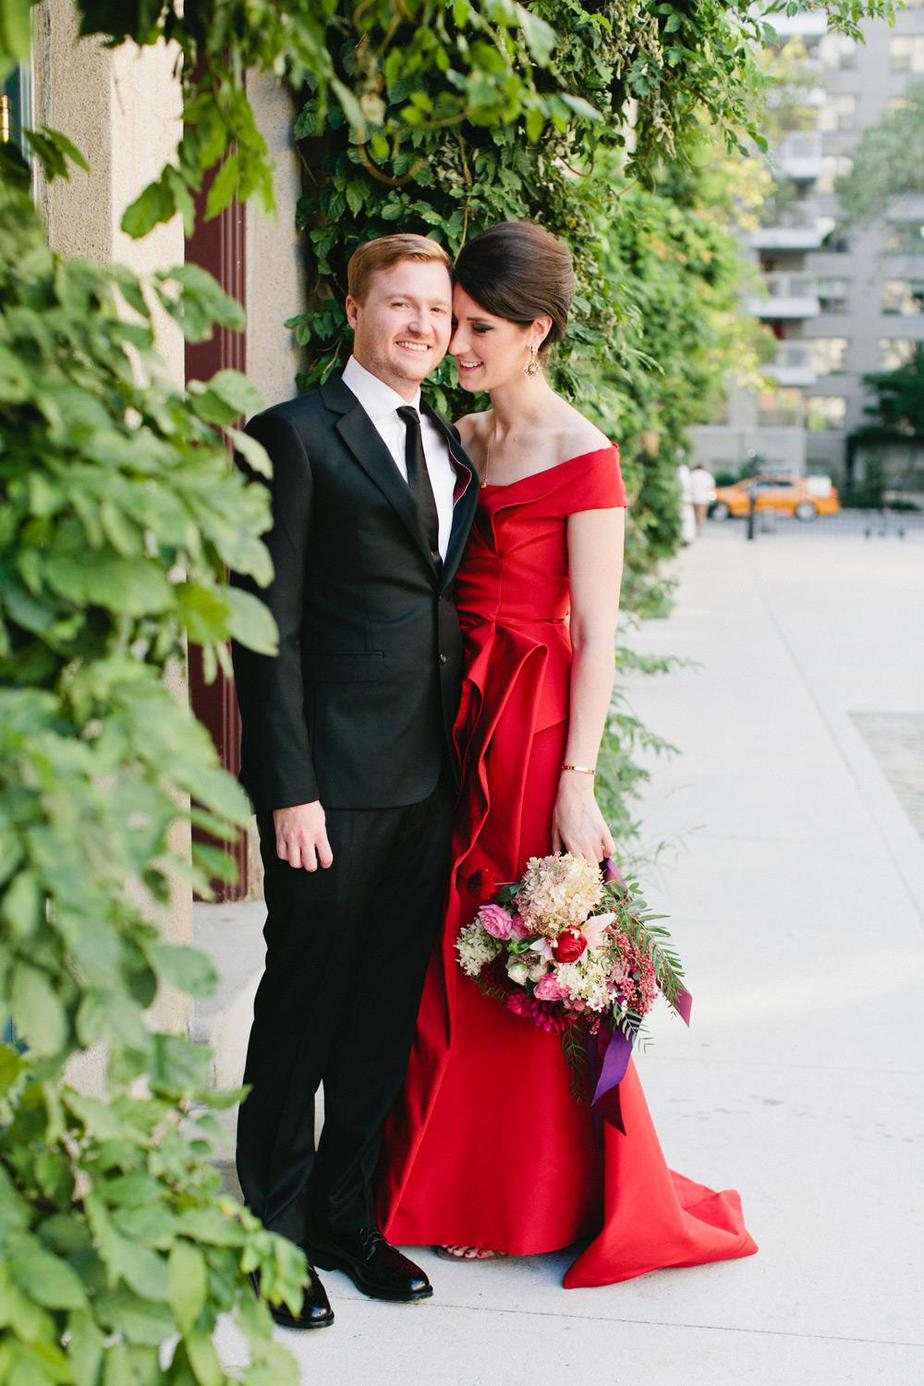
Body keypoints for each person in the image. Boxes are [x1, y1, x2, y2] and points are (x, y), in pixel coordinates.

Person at [377, 221, 757, 1284]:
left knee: (518, 953)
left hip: (532, 720)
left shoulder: (587, 458)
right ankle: (422, 1168)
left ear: (535, 331)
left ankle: (516, 1193)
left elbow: (597, 631)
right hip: (448, 705)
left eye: (479, 328)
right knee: (439, 947)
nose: (456, 343)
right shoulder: (453, 437)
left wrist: (578, 782)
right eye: (453, 323)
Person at [230, 233, 479, 1328]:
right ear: (353, 309)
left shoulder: (448, 445)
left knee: (382, 1013)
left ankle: (348, 1218)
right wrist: (289, 789)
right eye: (402, 305)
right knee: (302, 1008)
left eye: (438, 310)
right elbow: (264, 630)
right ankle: (273, 1236)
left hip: (427, 780)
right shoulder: (293, 436)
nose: (423, 326)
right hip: (327, 787)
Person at [690, 462, 716, 534]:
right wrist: (712, 499)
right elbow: (711, 488)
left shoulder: (692, 474)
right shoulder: (707, 475)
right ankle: (699, 530)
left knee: (694, 516)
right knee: (702, 516)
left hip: (693, 498)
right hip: (704, 499)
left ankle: (694, 530)